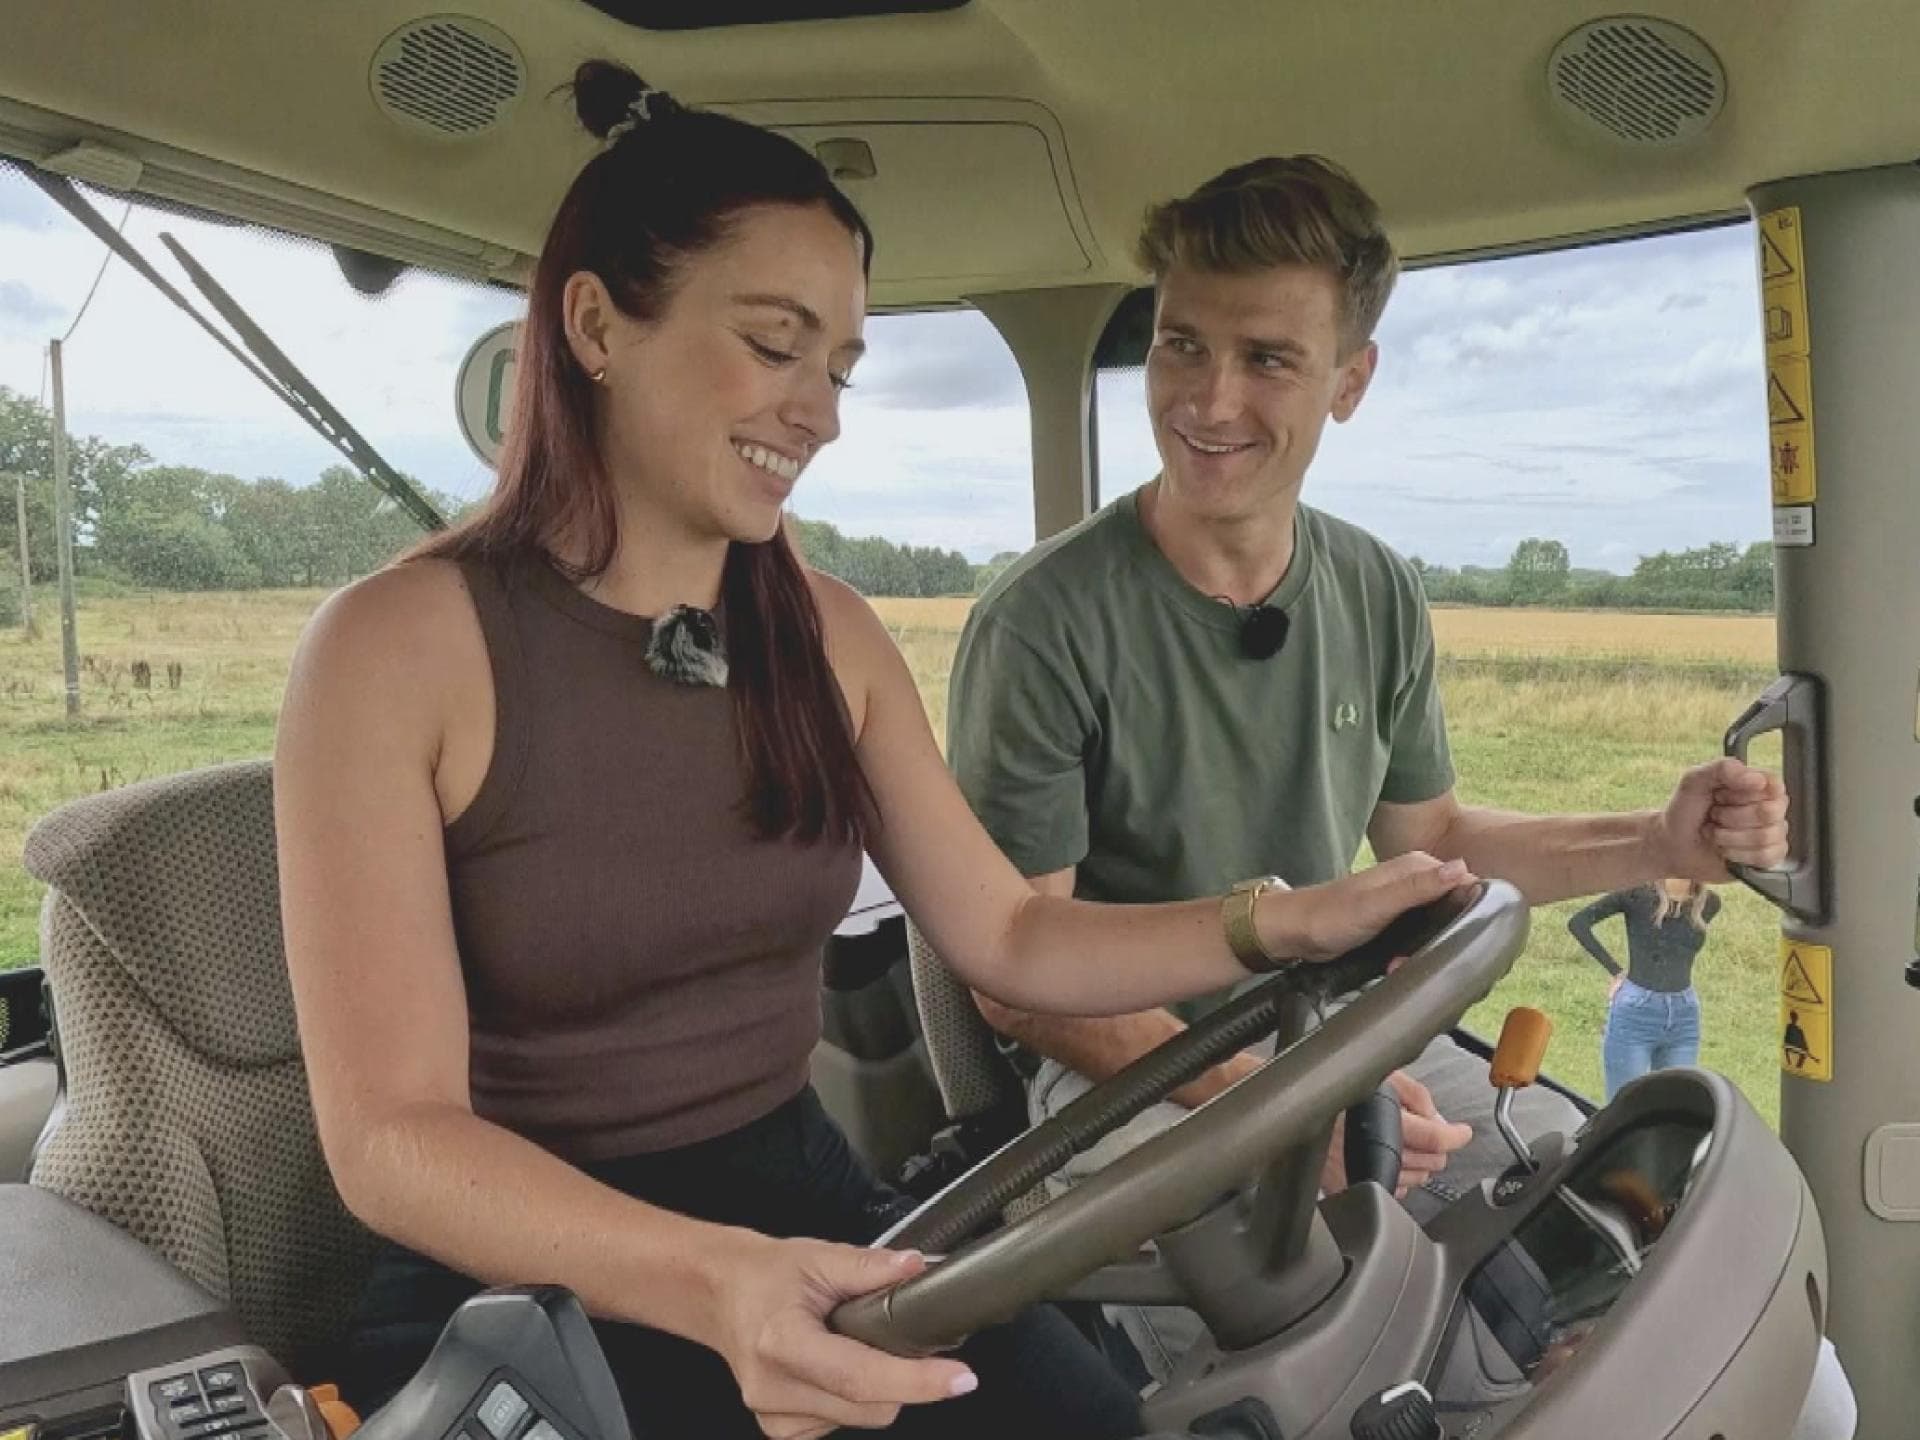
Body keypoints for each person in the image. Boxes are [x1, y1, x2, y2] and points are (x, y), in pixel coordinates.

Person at [272, 67, 1485, 1440]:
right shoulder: (394, 652)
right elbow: (392, 1142)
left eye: (839, 367)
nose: (820, 411)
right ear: (600, 324)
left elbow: (1017, 934)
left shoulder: (825, 635)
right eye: (775, 345)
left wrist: (1281, 923)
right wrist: (713, 1283)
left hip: (800, 1206)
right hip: (516, 1273)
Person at [944, 155, 1848, 1433]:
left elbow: (1433, 842)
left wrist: (1656, 837)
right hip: (1144, 1087)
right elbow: (1017, 972)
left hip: (1358, 1045)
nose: (1207, 399)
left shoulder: (1372, 590)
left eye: (1266, 358)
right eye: (1181, 346)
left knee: (1637, 1281)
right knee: (1335, 1381)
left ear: (1349, 382)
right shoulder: (1042, 624)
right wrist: (1270, 1108)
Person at [1569, 878, 1723, 1099]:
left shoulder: (1708, 903)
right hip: (1636, 1011)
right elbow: (1579, 923)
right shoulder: (1637, 895)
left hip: (1684, 1014)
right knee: (1623, 1106)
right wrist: (1615, 971)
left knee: (1676, 1107)